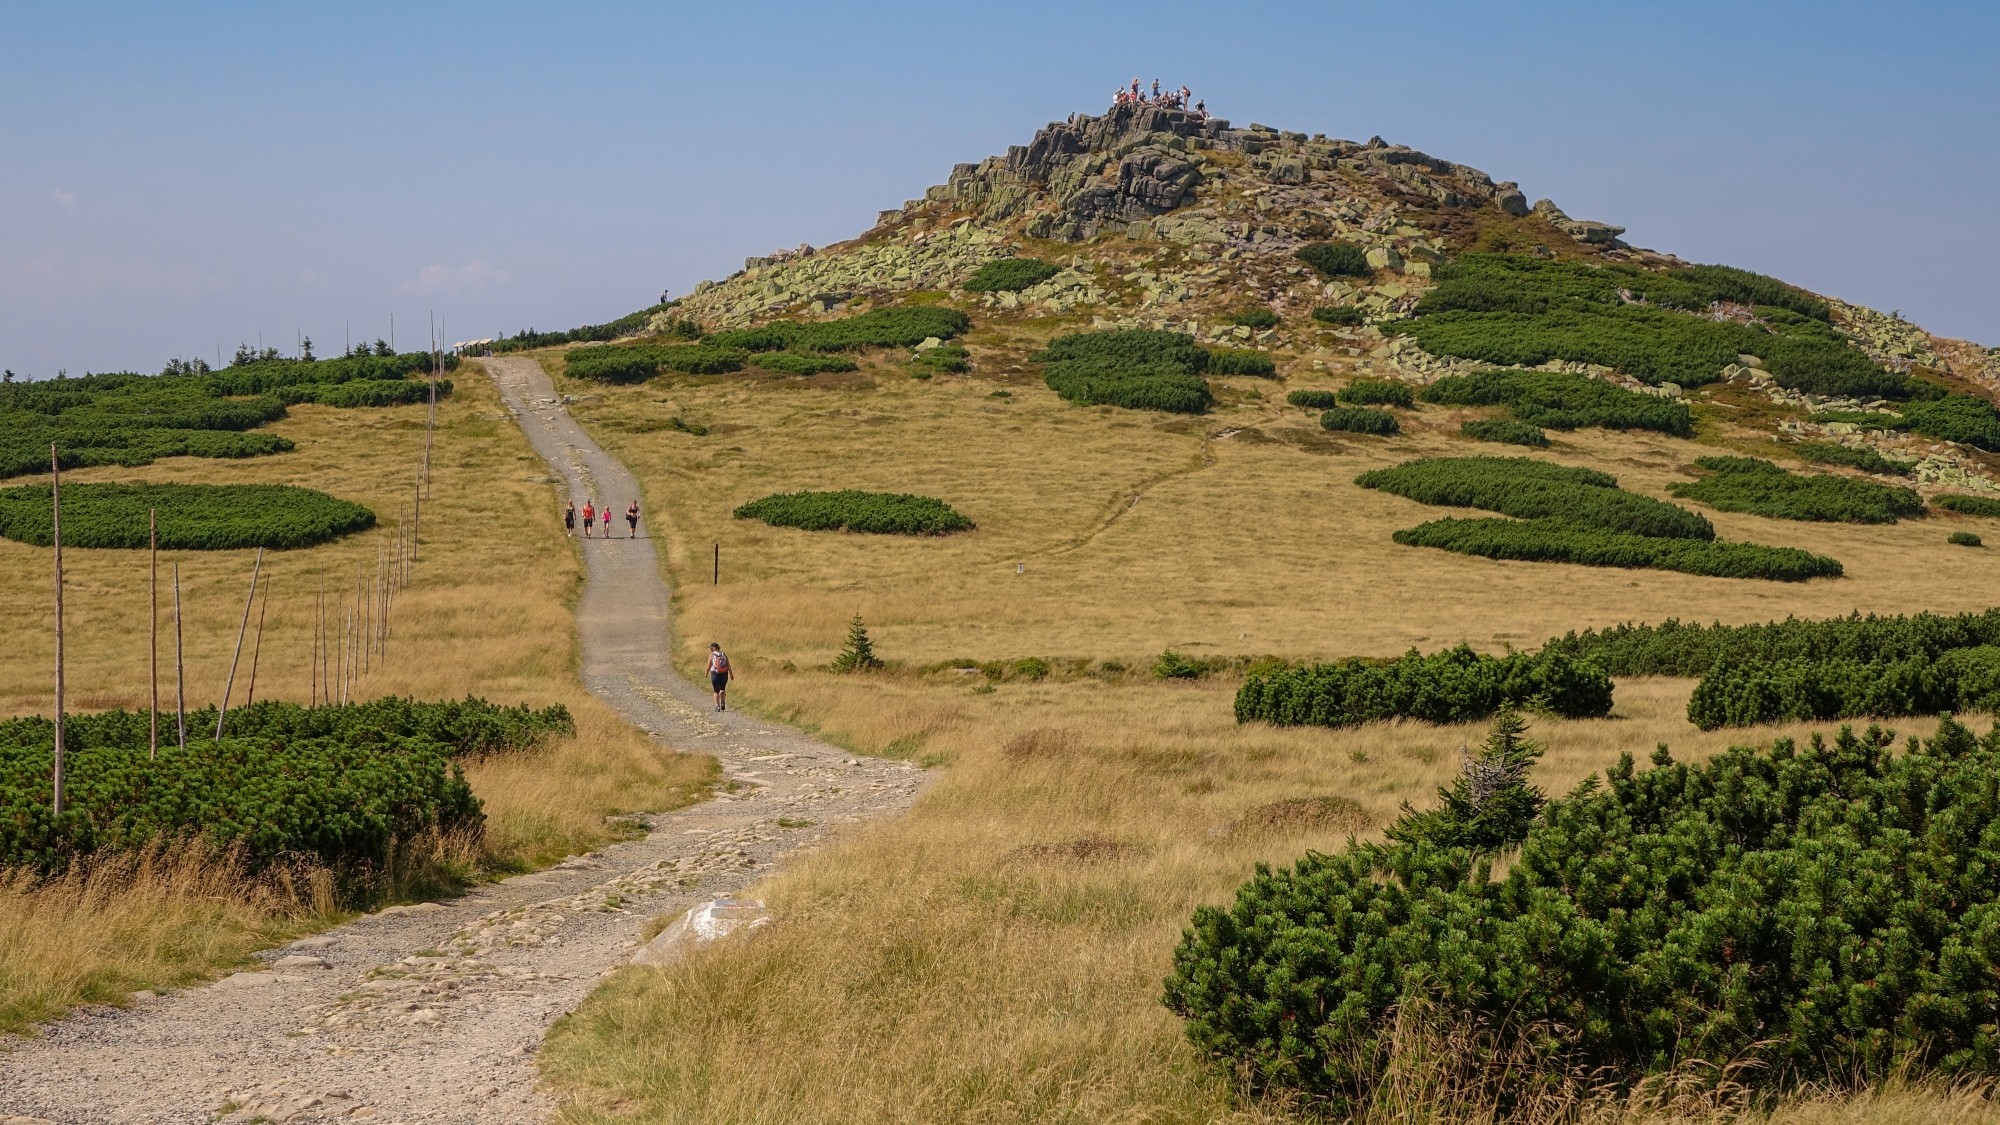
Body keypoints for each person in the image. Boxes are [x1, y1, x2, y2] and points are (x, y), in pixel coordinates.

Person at [707, 642, 732, 711]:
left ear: (712, 648)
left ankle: (717, 706)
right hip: (724, 673)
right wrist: (731, 674)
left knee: (716, 691)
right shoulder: (723, 654)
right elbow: (728, 665)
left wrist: (706, 673)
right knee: (722, 689)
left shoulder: (711, 655)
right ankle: (723, 702)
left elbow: (708, 666)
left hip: (715, 673)